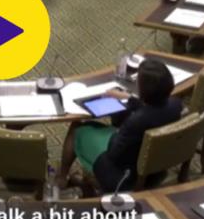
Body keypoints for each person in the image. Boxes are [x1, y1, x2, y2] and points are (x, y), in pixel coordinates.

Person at [57, 58, 183, 192]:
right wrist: (128, 98)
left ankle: (62, 178)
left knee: (76, 127)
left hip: (124, 175)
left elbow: (113, 153)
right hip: (156, 169)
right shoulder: (175, 105)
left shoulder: (136, 122)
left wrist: (118, 131)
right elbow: (153, 109)